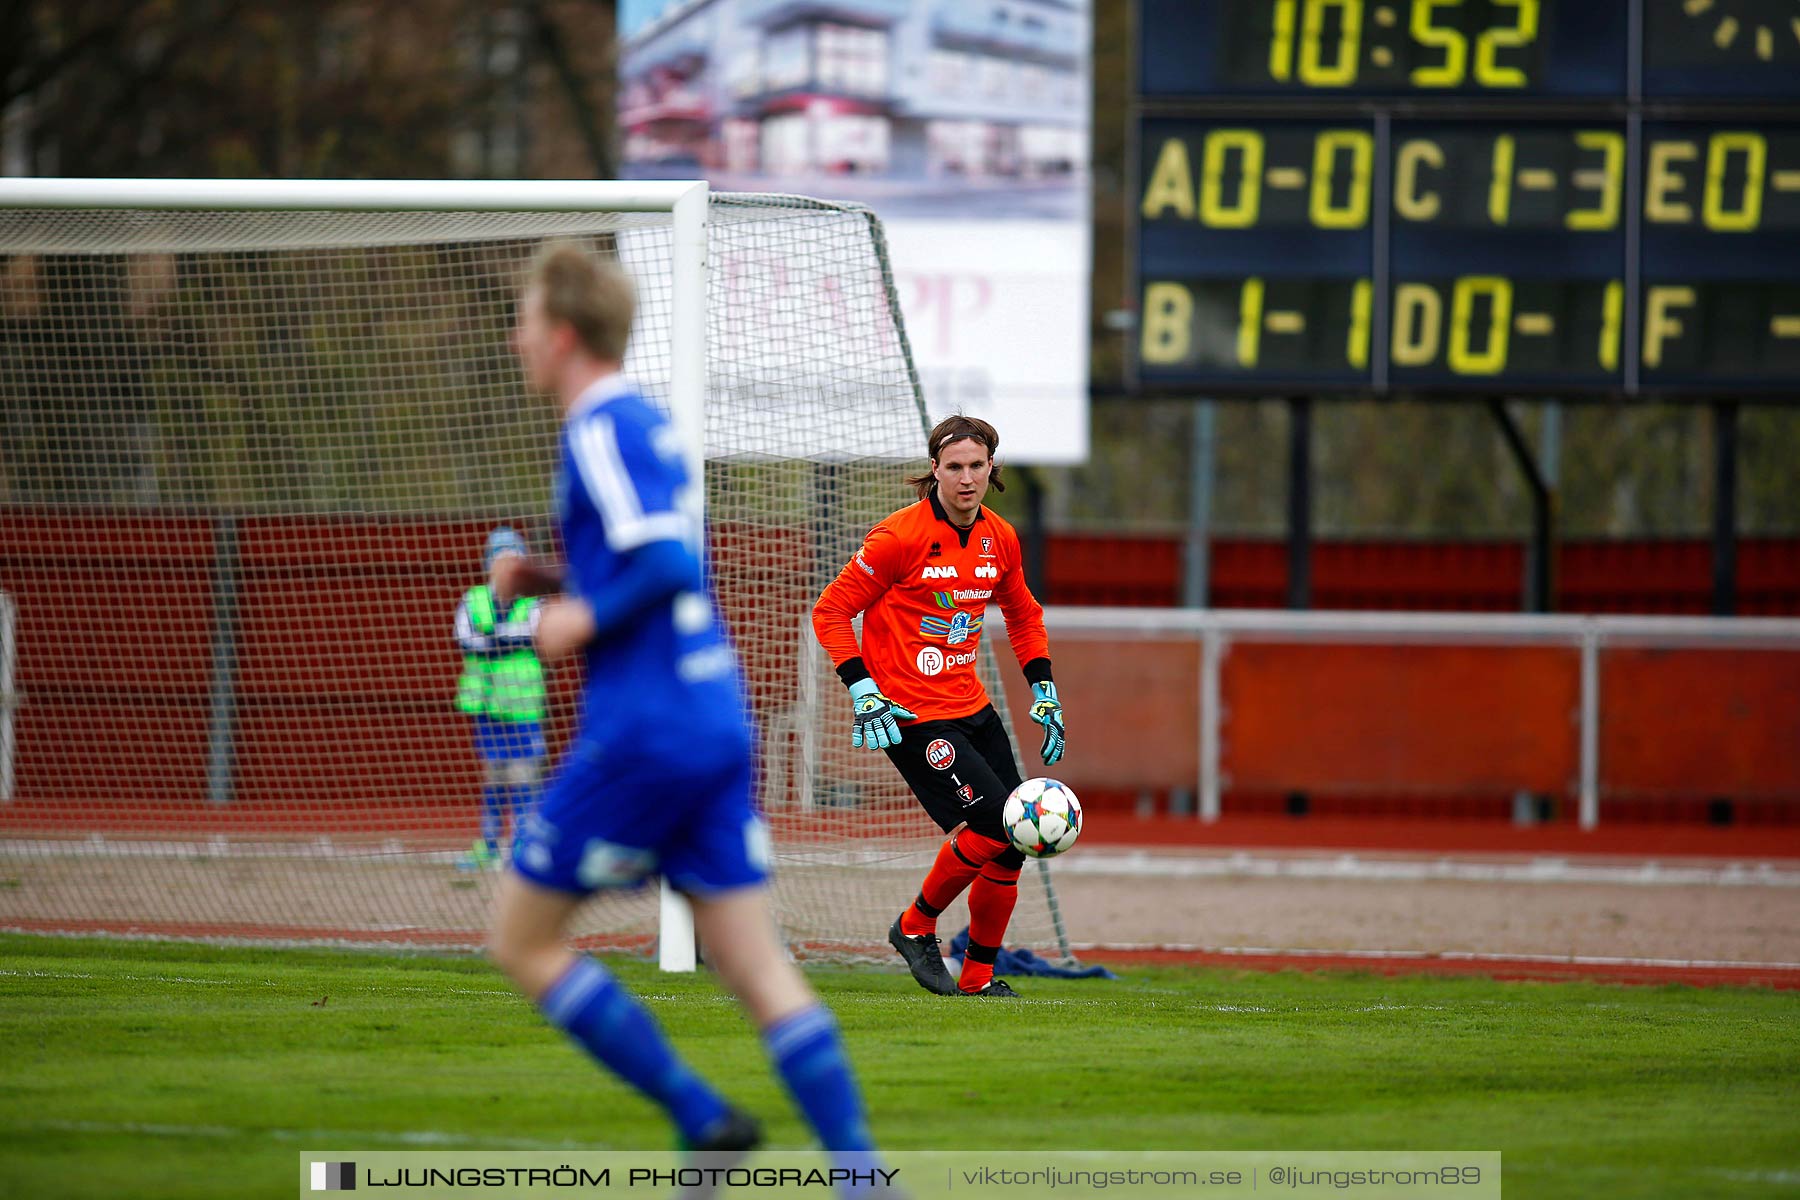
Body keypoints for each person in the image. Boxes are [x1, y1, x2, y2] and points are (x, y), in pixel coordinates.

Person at [486, 242, 880, 1165]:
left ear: (565, 334)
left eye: (527, 322)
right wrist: (543, 576)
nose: (517, 341)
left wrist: (575, 616)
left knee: (521, 938)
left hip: (644, 731)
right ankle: (863, 1176)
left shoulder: (597, 427)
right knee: (755, 964)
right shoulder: (645, 425)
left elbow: (666, 564)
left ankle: (701, 1118)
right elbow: (648, 552)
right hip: (710, 718)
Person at [811, 415, 1067, 999]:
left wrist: (1045, 691)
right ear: (935, 470)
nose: (967, 478)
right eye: (954, 467)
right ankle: (915, 925)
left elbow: (1025, 615)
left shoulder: (999, 537)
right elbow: (829, 612)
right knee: (996, 824)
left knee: (1014, 846)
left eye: (977, 465)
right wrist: (862, 689)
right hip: (908, 714)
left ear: (992, 469)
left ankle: (977, 980)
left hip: (972, 707)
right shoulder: (897, 538)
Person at [453, 526, 547, 870]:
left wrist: (493, 636)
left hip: (523, 706)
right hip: (487, 704)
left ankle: (523, 844)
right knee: (494, 774)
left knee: (524, 775)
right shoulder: (473, 599)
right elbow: (465, 639)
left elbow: (532, 636)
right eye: (500, 558)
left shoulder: (534, 600)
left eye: (513, 559)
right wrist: (501, 640)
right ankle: (489, 843)